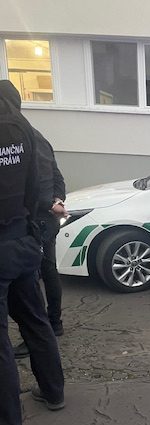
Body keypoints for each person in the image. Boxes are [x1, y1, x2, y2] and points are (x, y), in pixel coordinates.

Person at [0, 79, 65, 425]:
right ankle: (53, 392)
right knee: (35, 320)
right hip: (24, 239)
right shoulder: (25, 132)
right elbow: (40, 184)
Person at [14, 128, 67, 358]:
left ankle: (37, 335)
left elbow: (41, 182)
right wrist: (57, 200)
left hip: (36, 220)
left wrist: (49, 204)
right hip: (46, 219)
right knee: (48, 270)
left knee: (32, 277)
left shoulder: (20, 139)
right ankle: (54, 324)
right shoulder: (38, 137)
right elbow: (57, 177)